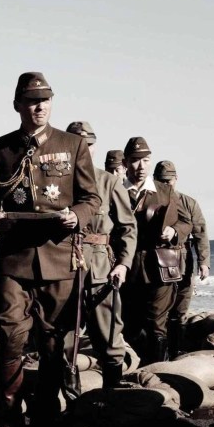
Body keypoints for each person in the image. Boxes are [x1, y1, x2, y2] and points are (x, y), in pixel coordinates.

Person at [0, 72, 100, 427]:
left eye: (45, 99)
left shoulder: (73, 144)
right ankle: (10, 418)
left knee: (54, 345)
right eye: (31, 100)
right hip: (14, 260)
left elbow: (91, 199)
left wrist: (76, 216)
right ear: (17, 105)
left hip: (59, 259)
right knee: (10, 339)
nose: (40, 106)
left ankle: (47, 414)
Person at [66, 122, 137, 388]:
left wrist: (123, 265)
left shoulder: (108, 182)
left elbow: (128, 227)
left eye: (90, 144)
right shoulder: (54, 183)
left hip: (100, 269)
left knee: (108, 337)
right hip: (62, 270)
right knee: (64, 339)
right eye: (77, 144)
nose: (84, 149)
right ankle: (70, 399)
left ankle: (111, 397)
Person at [120, 137, 191, 364]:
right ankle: (143, 361)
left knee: (156, 323)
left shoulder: (165, 191)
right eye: (135, 161)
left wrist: (173, 231)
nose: (141, 167)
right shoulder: (116, 190)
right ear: (125, 162)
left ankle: (157, 373)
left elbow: (185, 222)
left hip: (161, 266)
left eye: (146, 161)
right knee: (129, 323)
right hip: (127, 267)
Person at [152, 161, 210, 357]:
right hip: (157, 259)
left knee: (180, 309)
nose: (166, 185)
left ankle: (175, 352)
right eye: (161, 181)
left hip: (183, 258)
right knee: (159, 311)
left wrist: (204, 262)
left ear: (176, 179)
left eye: (169, 181)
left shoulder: (188, 203)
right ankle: (158, 354)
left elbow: (200, 232)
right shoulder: (149, 200)